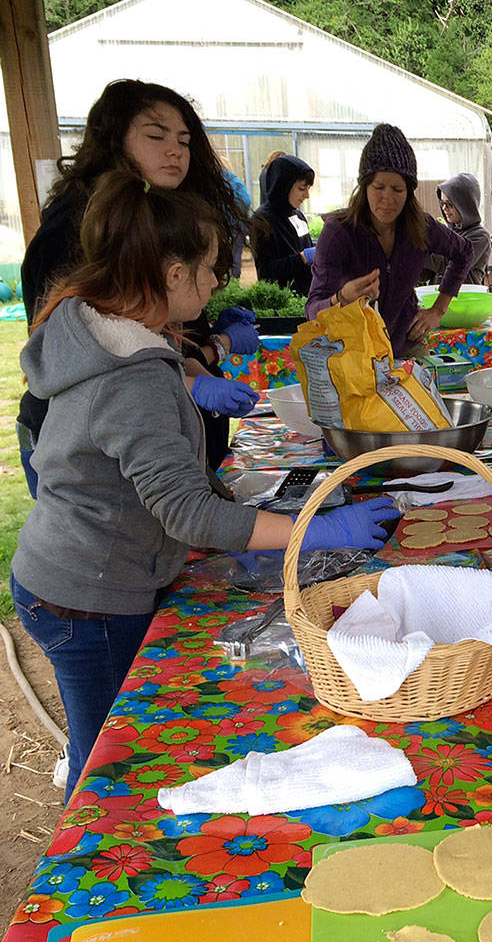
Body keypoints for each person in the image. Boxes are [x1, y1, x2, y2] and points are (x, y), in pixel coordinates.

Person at [11, 171, 398, 803]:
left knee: (117, 742)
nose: (219, 280)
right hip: (87, 597)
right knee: (109, 758)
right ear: (171, 274)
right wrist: (314, 530)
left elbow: (173, 485)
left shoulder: (121, 329)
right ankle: (100, 856)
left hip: (90, 578)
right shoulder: (129, 379)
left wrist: (235, 516)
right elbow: (185, 513)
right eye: (212, 268)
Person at [17, 79, 260, 490]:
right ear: (113, 142)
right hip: (92, 461)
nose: (175, 151)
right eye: (156, 136)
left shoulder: (163, 217)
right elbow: (80, 355)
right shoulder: (75, 228)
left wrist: (200, 356)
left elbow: (159, 329)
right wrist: (194, 373)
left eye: (184, 141)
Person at [307, 123, 472, 357]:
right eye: (379, 187)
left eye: (397, 189)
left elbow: (464, 252)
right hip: (350, 356)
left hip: (407, 346)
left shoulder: (421, 227)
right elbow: (313, 310)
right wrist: (342, 298)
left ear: (409, 192)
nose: (387, 199)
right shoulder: (338, 233)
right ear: (364, 187)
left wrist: (438, 309)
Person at [250, 154, 316, 296]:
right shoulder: (262, 220)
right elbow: (265, 271)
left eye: (308, 189)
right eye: (302, 188)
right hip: (283, 300)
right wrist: (302, 258)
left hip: (307, 297)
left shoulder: (298, 216)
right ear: (283, 185)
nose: (307, 196)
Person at [424, 172, 490, 287]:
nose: (444, 208)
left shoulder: (480, 236)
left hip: (466, 299)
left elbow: (448, 263)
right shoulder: (446, 233)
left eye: (449, 204)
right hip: (437, 298)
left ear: (464, 205)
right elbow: (426, 273)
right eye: (442, 203)